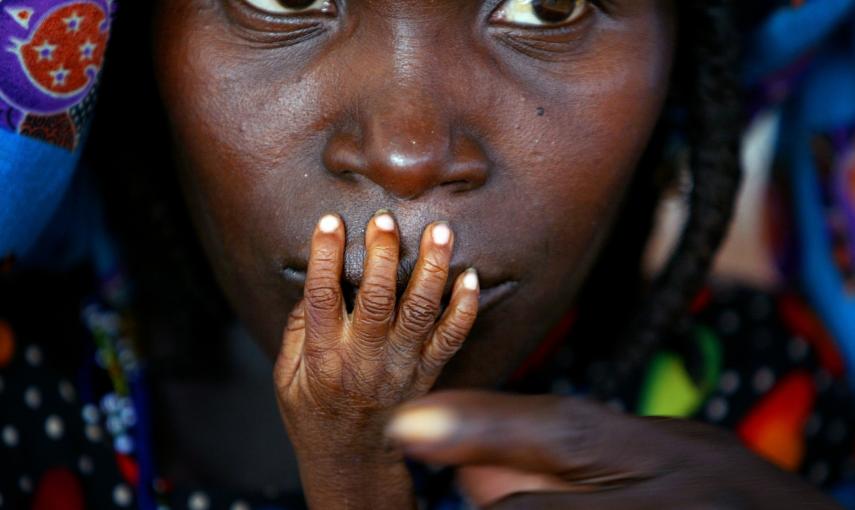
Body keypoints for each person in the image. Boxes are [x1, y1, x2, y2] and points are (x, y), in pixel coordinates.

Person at [2, 0, 854, 509]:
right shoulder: (17, 404)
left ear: (682, 59)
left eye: (545, 8)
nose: (406, 150)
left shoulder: (771, 404)